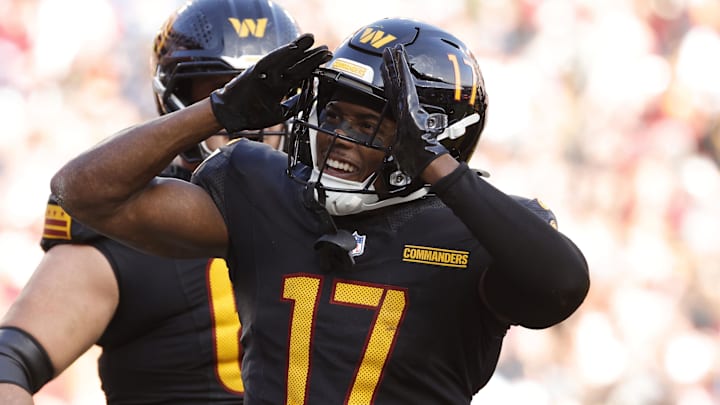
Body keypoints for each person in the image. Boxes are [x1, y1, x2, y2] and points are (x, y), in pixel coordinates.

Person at [49, 17, 590, 404]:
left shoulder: (483, 230)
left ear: (435, 139)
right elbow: (85, 192)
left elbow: (561, 286)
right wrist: (214, 111)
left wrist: (437, 167)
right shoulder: (262, 190)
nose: (337, 138)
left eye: (370, 126)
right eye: (333, 114)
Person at [0, 0, 301, 403]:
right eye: (226, 92)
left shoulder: (325, 207)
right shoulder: (129, 219)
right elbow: (9, 361)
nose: (249, 115)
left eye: (268, 93)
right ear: (176, 97)